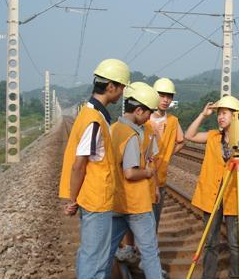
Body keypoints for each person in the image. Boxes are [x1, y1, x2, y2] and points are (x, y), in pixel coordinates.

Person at [58, 58, 130, 279]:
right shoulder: (94, 121)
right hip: (96, 200)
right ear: (111, 87)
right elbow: (79, 165)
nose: (122, 94)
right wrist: (72, 199)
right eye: (122, 88)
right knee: (96, 258)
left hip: (94, 197)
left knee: (89, 254)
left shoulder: (92, 114)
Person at [185, 96, 239, 279]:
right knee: (210, 242)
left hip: (235, 195)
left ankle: (235, 276)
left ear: (235, 116)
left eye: (224, 113)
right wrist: (203, 115)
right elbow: (189, 135)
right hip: (212, 194)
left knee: (235, 243)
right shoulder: (212, 136)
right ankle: (208, 276)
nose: (220, 117)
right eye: (219, 113)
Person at [106, 82, 163, 279]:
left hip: (116, 201)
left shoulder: (113, 129)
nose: (150, 117)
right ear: (138, 110)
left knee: (107, 250)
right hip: (136, 204)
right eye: (149, 112)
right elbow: (130, 173)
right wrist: (148, 174)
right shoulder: (130, 135)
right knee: (149, 252)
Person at [148, 77, 185, 230]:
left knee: (154, 221)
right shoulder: (144, 118)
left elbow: (181, 141)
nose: (166, 100)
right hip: (142, 177)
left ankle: (148, 251)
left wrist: (169, 154)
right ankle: (132, 248)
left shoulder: (173, 121)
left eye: (169, 96)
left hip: (160, 178)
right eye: (162, 95)